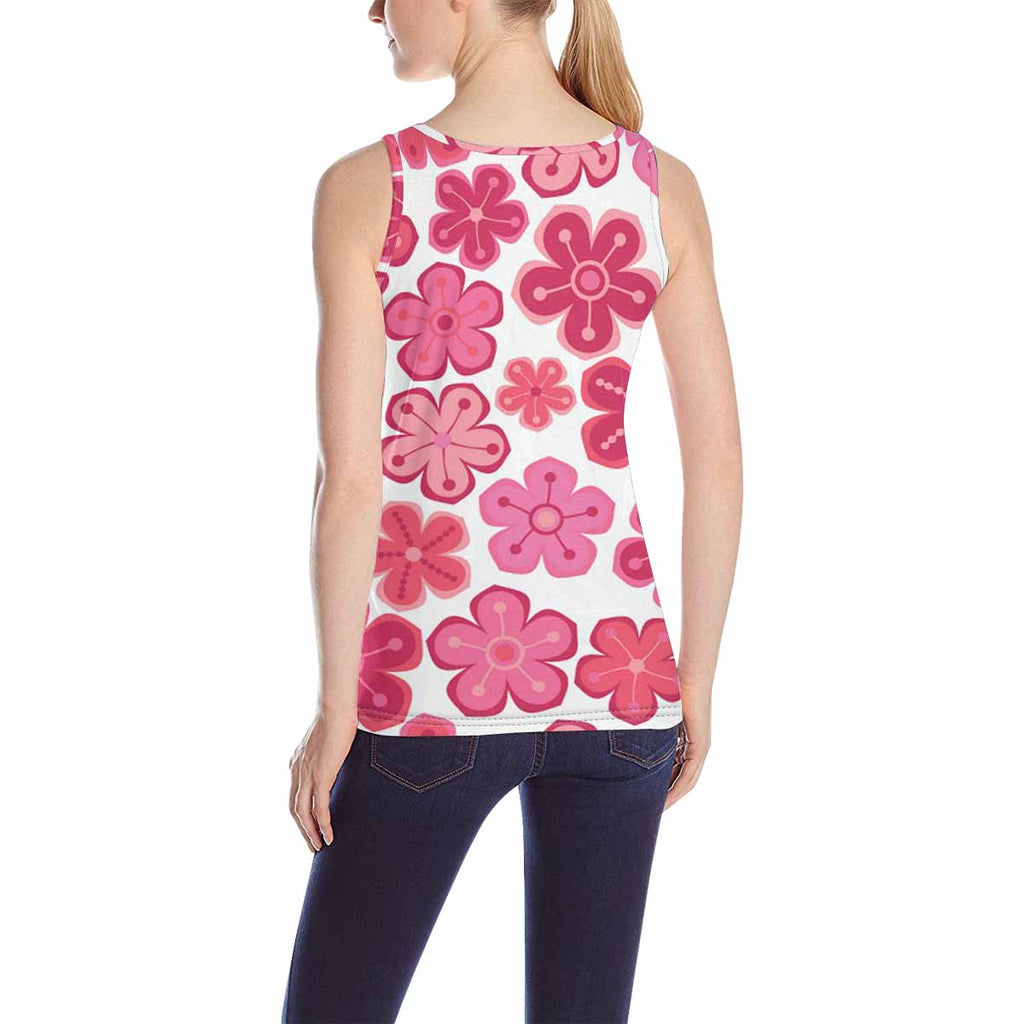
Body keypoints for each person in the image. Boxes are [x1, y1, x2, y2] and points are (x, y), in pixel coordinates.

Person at [282, 0, 742, 1020]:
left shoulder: (370, 186)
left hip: (427, 685)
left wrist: (334, 708)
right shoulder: (657, 183)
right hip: (621, 687)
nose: (373, 10)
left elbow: (350, 478)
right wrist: (696, 682)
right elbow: (716, 462)